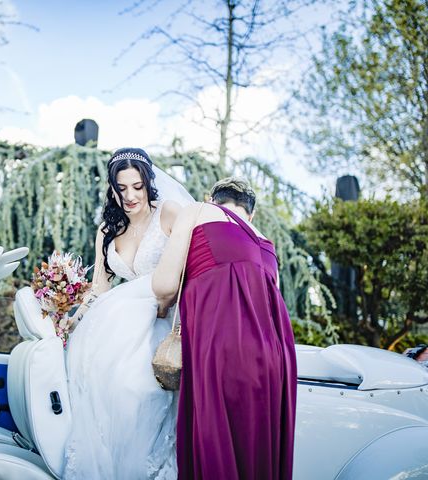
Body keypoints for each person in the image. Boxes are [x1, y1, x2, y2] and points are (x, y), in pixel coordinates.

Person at [153, 177, 297, 480]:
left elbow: (164, 284)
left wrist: (163, 308)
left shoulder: (196, 211)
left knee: (217, 444)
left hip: (224, 347)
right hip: (278, 359)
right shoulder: (266, 245)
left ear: (211, 198)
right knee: (257, 451)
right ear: (251, 213)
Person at [62, 147, 193, 479]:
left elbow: (192, 266)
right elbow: (100, 289)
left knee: (139, 395)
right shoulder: (108, 229)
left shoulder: (169, 214)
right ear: (112, 189)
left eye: (137, 186)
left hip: (161, 326)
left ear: (149, 182)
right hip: (119, 329)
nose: (130, 195)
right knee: (102, 395)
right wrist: (70, 320)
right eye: (122, 188)